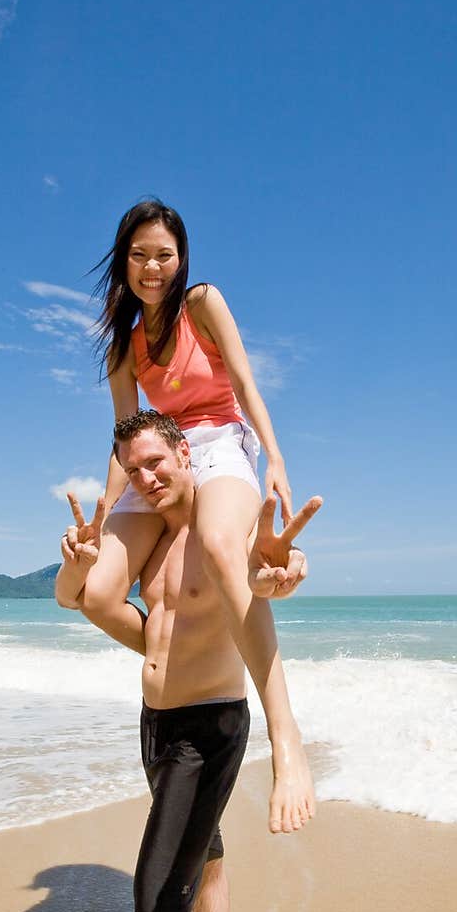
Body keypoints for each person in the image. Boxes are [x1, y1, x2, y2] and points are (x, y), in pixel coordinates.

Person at [56, 410, 321, 912]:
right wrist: (79, 568)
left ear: (185, 452)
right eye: (133, 469)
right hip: (157, 725)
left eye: (157, 460)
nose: (148, 476)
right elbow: (76, 599)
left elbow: (266, 580)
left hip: (207, 730)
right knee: (204, 860)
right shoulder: (143, 536)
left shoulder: (218, 532)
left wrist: (281, 573)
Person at [82, 198, 313, 835]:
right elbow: (125, 435)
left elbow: (243, 382)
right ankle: (186, 657)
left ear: (181, 259)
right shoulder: (122, 349)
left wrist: (275, 458)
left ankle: (286, 742)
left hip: (217, 444)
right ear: (123, 261)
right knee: (98, 588)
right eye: (139, 255)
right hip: (155, 458)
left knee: (218, 545)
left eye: (164, 254)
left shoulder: (202, 303)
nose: (152, 266)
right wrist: (107, 510)